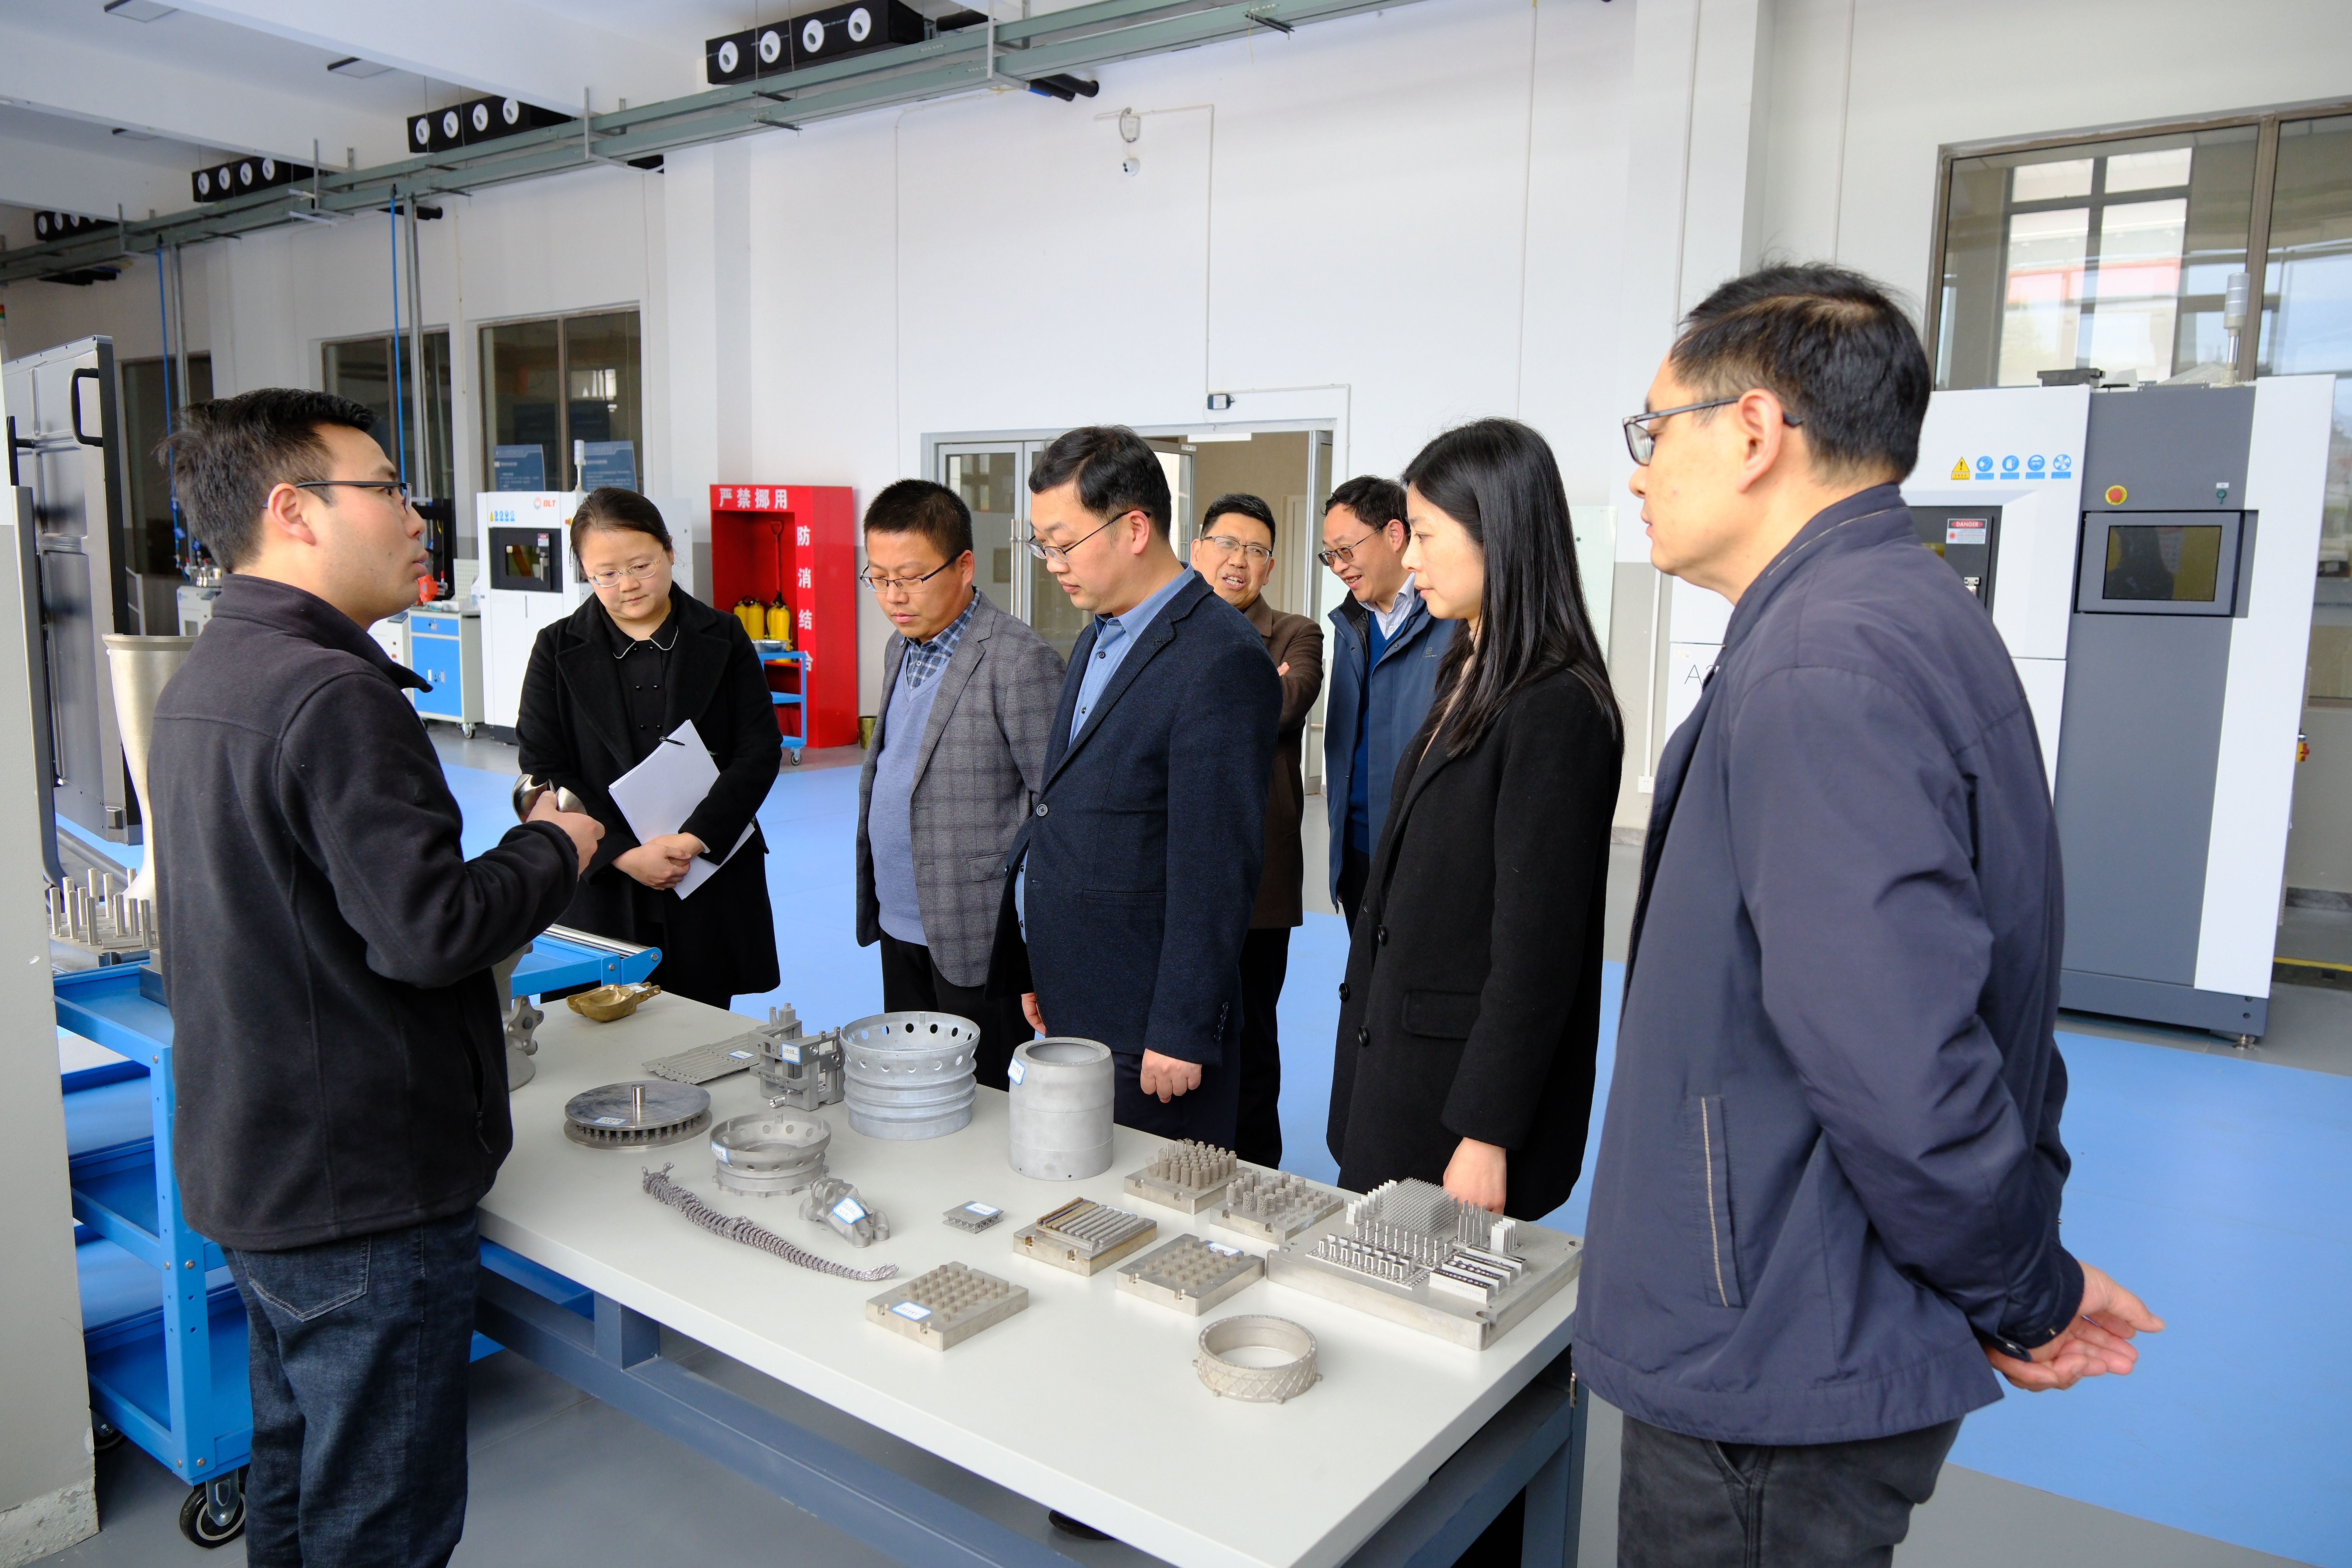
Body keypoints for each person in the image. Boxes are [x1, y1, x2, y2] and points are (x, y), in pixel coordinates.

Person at [1577, 264, 2164, 1568]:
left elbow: (1900, 1059)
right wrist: (2020, 1271)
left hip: (1774, 1333)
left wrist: (2027, 1289)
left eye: (1653, 430)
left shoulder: (1819, 663)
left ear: (1752, 430)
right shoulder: (1897, 609)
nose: (1639, 471)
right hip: (1809, 1285)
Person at [150, 389, 602, 1567]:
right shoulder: (332, 693)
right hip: (359, 1193)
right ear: (293, 510)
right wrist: (556, 846)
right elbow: (430, 931)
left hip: (260, 1168)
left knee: (298, 1483)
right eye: (390, 489)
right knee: (377, 1529)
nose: (415, 518)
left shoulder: (210, 676)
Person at [1326, 420, 1619, 1220]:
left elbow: (1537, 950)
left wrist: (1487, 1130)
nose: (1411, 558)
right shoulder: (1468, 666)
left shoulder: (1556, 705)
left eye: (1425, 535)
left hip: (1458, 1105)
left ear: (1499, 533)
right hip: (1401, 1062)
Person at [990, 426, 1280, 1147]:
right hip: (1078, 991)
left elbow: (1216, 867)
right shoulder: (1101, 633)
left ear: (1135, 528)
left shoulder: (1220, 658)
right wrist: (1039, 963)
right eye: (1042, 545)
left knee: (1139, 1201)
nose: (1052, 564)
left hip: (1148, 1026)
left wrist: (1181, 1027)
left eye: (1063, 543)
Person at [516, 487, 782, 1009]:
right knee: (597, 1024)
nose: (628, 585)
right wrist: (622, 853)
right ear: (586, 573)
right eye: (606, 574)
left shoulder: (724, 636)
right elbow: (544, 765)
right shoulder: (556, 647)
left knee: (700, 1024)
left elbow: (759, 750)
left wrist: (696, 839)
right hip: (604, 880)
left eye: (642, 565)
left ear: (670, 551)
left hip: (705, 871)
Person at [855, 479, 1065, 1087]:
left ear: (965, 565)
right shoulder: (900, 647)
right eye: (879, 578)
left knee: (983, 1097)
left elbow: (1053, 809)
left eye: (911, 577)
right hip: (899, 917)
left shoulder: (1018, 660)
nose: (893, 596)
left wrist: (1036, 951)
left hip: (977, 932)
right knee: (915, 1088)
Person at [1189, 492, 1324, 1166]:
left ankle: (1255, 1171)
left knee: (1253, 1034)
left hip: (1261, 876)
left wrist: (1200, 698)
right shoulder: (1168, 627)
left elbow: (1284, 704)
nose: (1238, 560)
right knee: (1182, 1023)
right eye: (1227, 543)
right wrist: (1254, 686)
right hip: (1179, 868)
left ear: (1270, 567)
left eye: (1256, 550)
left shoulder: (1299, 633)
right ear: (1198, 550)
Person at [1318, 475, 1453, 928]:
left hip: (1420, 851)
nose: (1338, 567)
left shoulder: (1451, 619)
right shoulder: (1350, 623)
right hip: (1356, 844)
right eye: (1330, 555)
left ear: (1395, 535)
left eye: (1346, 550)